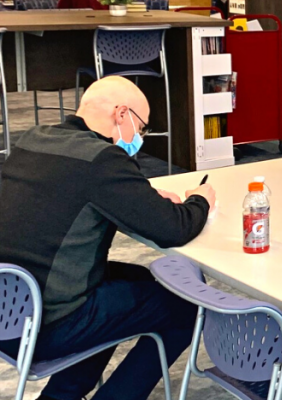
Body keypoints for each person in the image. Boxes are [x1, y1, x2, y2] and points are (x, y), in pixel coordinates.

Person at [0, 76, 216, 400]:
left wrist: (140, 194)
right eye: (141, 128)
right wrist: (201, 200)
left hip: (9, 311)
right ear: (121, 114)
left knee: (137, 279)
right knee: (185, 305)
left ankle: (63, 395)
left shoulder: (34, 138)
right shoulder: (104, 159)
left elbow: (66, 189)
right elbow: (174, 229)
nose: (139, 139)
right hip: (47, 325)